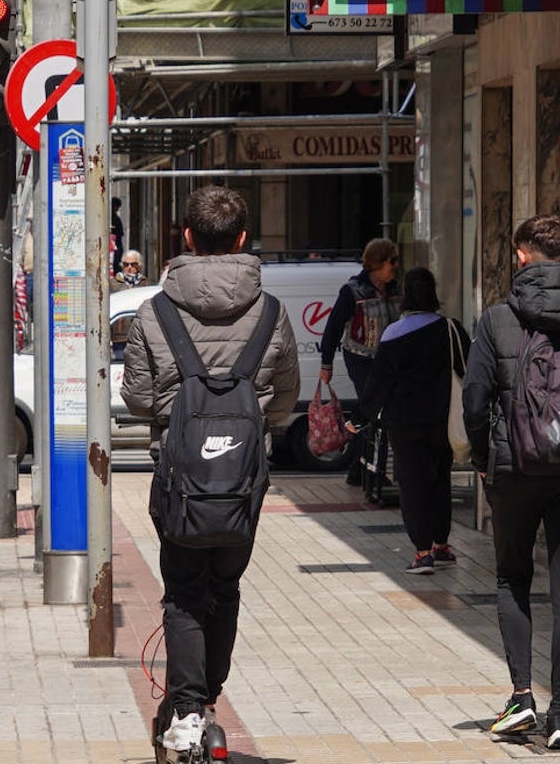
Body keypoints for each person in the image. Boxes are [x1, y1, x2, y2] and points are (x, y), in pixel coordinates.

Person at [121, 186, 299, 754]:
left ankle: (189, 709)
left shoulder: (155, 311)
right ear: (243, 239)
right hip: (244, 484)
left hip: (177, 482)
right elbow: (284, 399)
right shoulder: (271, 311)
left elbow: (139, 400)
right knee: (225, 586)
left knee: (182, 592)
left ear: (188, 238)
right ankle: (208, 697)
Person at [463, 214, 560, 750]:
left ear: (522, 256)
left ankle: (521, 697)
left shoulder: (497, 319)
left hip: (513, 469)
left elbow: (475, 401)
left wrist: (481, 457)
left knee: (511, 578)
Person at [355, 267, 470, 575]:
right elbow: (469, 370)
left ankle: (422, 553)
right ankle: (441, 545)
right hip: (443, 421)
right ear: (433, 293)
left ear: (406, 293)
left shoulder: (394, 333)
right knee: (439, 480)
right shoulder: (452, 328)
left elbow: (379, 382)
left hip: (404, 424)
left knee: (413, 485)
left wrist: (360, 417)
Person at [319, 238, 402, 486]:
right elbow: (333, 328)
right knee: (375, 412)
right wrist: (326, 364)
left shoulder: (397, 289)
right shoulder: (353, 291)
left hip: (388, 362)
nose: (396, 267)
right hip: (361, 360)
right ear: (379, 262)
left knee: (370, 414)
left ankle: (358, 469)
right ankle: (373, 473)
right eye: (393, 261)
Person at [110, 197, 125, 274]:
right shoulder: (113, 218)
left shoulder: (116, 218)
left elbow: (120, 234)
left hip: (116, 245)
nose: (117, 209)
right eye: (116, 207)